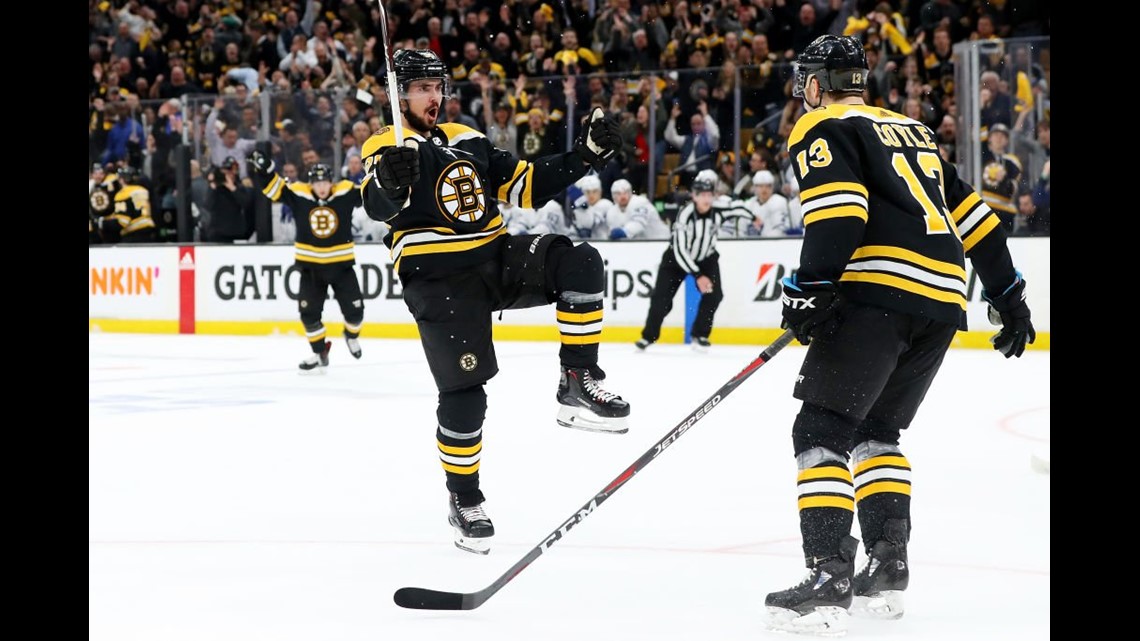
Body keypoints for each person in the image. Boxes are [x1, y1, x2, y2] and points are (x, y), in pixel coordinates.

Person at [763, 35, 1036, 636]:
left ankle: (829, 571)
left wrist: (811, 285)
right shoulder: (912, 130)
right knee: (877, 432)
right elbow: (975, 218)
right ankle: (887, 564)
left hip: (879, 295)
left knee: (821, 427)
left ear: (816, 82)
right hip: (940, 303)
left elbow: (841, 210)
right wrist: (1009, 296)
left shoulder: (822, 125)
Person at [357, 48, 628, 555]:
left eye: (438, 87)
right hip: (438, 279)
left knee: (581, 261)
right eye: (422, 88)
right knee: (466, 395)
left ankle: (577, 380)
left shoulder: (466, 138)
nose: (434, 97)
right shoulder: (386, 144)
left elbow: (524, 183)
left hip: (496, 254)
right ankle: (464, 498)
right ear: (396, 95)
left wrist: (585, 156)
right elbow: (374, 201)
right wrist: (390, 186)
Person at [248, 154, 367, 372]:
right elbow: (273, 190)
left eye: (325, 182)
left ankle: (350, 335)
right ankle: (319, 351)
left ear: (332, 182)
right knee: (309, 315)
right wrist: (264, 171)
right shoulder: (298, 193)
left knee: (356, 313)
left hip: (341, 266)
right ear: (311, 183)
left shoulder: (346, 191)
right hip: (310, 268)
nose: (321, 187)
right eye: (317, 183)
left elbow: (371, 195)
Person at [634, 171, 756, 352]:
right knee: (661, 300)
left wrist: (754, 218)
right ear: (694, 196)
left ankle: (700, 334)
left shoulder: (718, 209)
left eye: (709, 195)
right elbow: (681, 251)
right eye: (702, 195)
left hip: (707, 258)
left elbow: (738, 208)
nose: (706, 199)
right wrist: (698, 275)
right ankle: (648, 336)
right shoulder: (685, 215)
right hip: (676, 261)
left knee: (714, 295)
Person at [204, 156, 255, 243]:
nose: (228, 174)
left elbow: (245, 204)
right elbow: (208, 205)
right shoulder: (216, 189)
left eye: (230, 172)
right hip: (217, 232)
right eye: (225, 172)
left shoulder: (239, 188)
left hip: (235, 232)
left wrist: (232, 187)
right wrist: (213, 186)